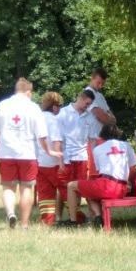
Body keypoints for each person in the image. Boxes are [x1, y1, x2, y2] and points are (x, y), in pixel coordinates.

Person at [0, 77, 57, 229]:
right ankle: (24, 225)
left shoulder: (2, 105)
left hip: (6, 153)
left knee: (8, 187)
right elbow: (42, 136)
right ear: (28, 92)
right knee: (26, 188)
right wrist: (48, 150)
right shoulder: (33, 108)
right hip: (27, 154)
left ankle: (10, 213)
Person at [65, 124, 136, 227]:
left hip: (106, 185)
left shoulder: (97, 149)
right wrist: (129, 182)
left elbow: (100, 172)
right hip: (121, 189)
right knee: (89, 191)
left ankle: (73, 221)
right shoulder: (126, 145)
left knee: (71, 186)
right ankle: (98, 217)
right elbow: (133, 169)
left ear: (102, 135)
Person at [56, 89, 96, 222]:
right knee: (63, 188)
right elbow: (57, 138)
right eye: (86, 103)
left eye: (89, 105)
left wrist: (94, 158)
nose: (87, 107)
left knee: (78, 187)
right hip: (66, 157)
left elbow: (92, 140)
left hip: (82, 158)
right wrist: (59, 158)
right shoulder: (63, 113)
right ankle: (59, 216)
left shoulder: (89, 117)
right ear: (80, 98)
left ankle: (75, 216)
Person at [36, 92, 64, 225]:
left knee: (44, 192)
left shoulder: (37, 118)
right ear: (54, 107)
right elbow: (56, 141)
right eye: (60, 105)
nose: (60, 109)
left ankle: (47, 220)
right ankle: (76, 216)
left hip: (39, 162)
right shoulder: (54, 120)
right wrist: (61, 162)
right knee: (65, 189)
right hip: (53, 163)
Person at [85, 67, 116, 178]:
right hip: (92, 138)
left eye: (102, 83)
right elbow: (100, 115)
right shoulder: (88, 93)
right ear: (92, 78)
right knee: (93, 172)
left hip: (102, 138)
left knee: (103, 171)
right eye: (98, 82)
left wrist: (107, 118)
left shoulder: (100, 96)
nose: (100, 86)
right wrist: (107, 118)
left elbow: (111, 116)